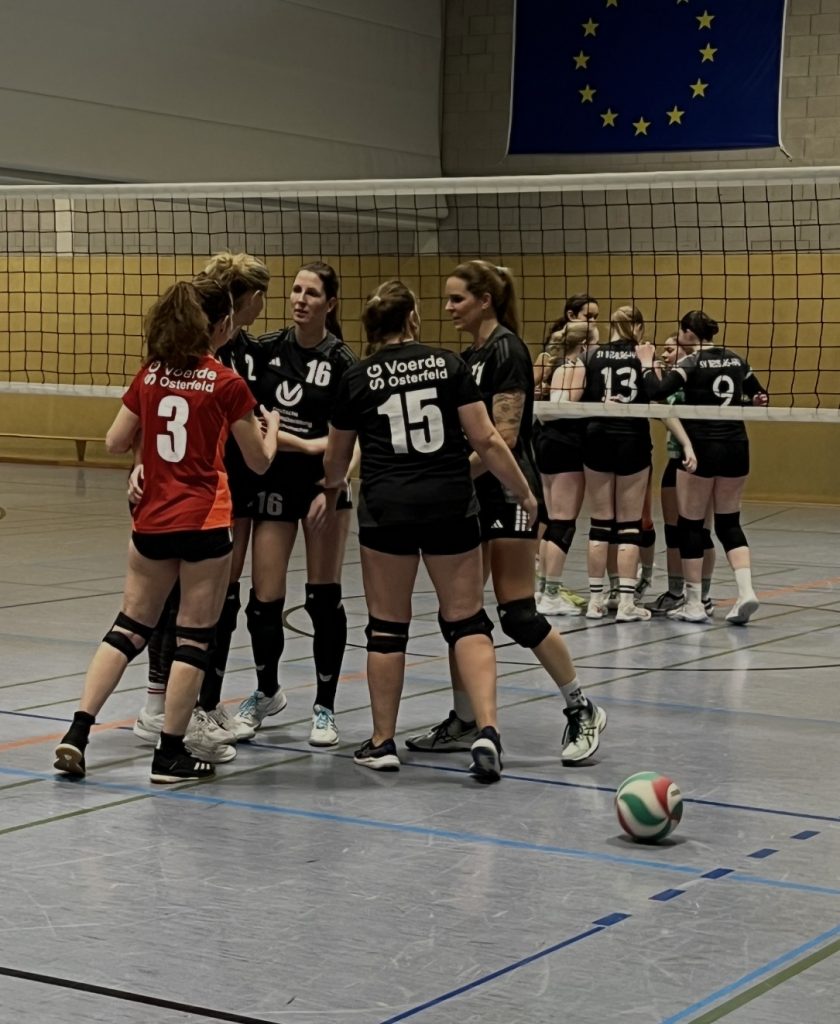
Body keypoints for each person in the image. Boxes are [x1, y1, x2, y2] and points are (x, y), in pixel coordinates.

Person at [53, 278, 280, 783]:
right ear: (223, 324)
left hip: (151, 520)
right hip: (204, 521)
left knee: (128, 627)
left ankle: (77, 732)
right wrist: (273, 431)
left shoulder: (151, 373)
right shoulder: (226, 382)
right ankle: (170, 755)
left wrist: (143, 459)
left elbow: (114, 441)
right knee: (193, 640)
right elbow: (259, 462)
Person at [321, 280, 539, 780]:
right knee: (468, 621)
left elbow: (336, 461)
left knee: (387, 628)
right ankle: (487, 731)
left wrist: (330, 490)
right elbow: (487, 440)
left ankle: (382, 742)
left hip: (388, 509)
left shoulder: (356, 378)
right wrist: (524, 492)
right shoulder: (449, 364)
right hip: (450, 503)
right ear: (412, 320)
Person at [407, 261, 606, 765]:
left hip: (509, 494)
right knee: (460, 614)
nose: (448, 308)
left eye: (457, 299)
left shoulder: (506, 349)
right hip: (473, 495)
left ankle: (581, 707)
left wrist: (449, 478)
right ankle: (464, 719)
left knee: (517, 613)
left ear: (485, 300)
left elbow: (505, 437)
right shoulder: (470, 355)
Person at [131, 252, 274, 761]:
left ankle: (192, 706)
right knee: (179, 608)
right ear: (246, 303)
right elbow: (147, 412)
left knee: (202, 607)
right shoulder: (198, 350)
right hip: (197, 494)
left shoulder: (245, 351)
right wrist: (140, 463)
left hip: (216, 489)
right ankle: (168, 711)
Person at [232, 262, 357, 746]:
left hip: (324, 485)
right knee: (264, 599)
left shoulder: (342, 361)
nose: (301, 299)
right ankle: (267, 692)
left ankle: (325, 707)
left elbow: (356, 436)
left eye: (312, 293)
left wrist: (333, 484)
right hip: (277, 480)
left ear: (330, 303)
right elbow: (253, 420)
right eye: (296, 290)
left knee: (323, 597)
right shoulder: (267, 349)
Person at [640, 310, 768, 625]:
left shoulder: (690, 363)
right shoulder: (736, 360)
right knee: (728, 523)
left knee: (691, 526)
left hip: (701, 448)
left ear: (687, 332)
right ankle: (746, 591)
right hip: (737, 446)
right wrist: (750, 402)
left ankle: (694, 602)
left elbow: (656, 392)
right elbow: (761, 396)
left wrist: (645, 364)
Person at [582, 306, 652, 621]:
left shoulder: (593, 356)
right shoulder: (642, 355)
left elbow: (580, 396)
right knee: (628, 525)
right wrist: (649, 364)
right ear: (637, 327)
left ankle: (595, 601)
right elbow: (655, 393)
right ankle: (625, 603)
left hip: (597, 436)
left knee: (599, 524)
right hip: (632, 439)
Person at [645, 334, 713, 615]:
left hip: (688, 462)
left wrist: (649, 371)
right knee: (695, 532)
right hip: (701, 461)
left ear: (685, 353)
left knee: (685, 532)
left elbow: (662, 406)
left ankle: (683, 594)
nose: (664, 354)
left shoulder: (684, 383)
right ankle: (697, 595)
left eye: (670, 349)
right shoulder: (698, 380)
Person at [533, 321, 591, 616]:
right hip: (566, 445)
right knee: (563, 522)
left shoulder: (556, 366)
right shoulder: (574, 366)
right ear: (584, 345)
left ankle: (543, 590)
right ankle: (552, 596)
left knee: (552, 519)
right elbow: (557, 407)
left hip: (547, 444)